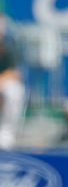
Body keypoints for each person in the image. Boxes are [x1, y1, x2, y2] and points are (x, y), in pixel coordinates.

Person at [0, 14, 27, 151]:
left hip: (3, 85)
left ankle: (6, 135)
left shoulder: (9, 46)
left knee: (14, 91)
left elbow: (16, 73)